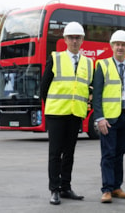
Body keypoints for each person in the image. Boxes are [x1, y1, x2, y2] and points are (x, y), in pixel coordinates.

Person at [40, 21, 93, 205]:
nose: (74, 41)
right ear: (65, 39)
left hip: (75, 114)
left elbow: (88, 87)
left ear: (82, 40)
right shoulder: (55, 58)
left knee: (69, 153)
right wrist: (52, 107)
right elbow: (43, 87)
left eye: (78, 38)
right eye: (71, 38)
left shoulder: (88, 62)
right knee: (55, 153)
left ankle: (66, 187)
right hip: (56, 114)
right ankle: (54, 189)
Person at [92, 30, 125, 203]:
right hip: (109, 118)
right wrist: (99, 118)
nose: (120, 47)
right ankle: (106, 189)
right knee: (108, 153)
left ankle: (116, 187)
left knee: (120, 152)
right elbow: (96, 94)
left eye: (123, 44)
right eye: (117, 44)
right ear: (112, 46)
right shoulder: (102, 65)